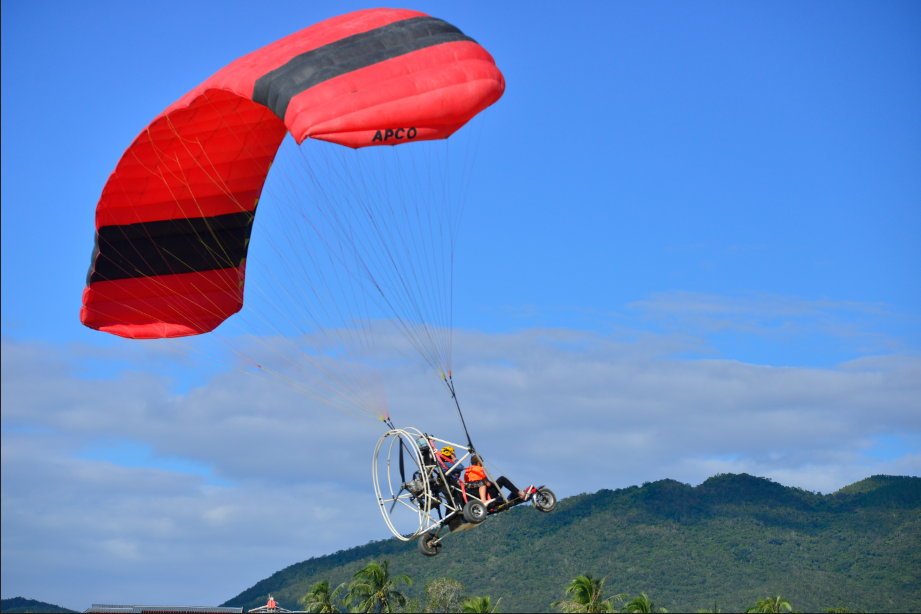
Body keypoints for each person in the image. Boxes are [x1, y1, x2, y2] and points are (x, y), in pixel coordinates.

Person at [464, 455, 534, 504]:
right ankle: (521, 494)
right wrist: (492, 483)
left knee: (494, 485)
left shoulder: (467, 471)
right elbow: (488, 484)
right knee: (502, 479)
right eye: (481, 462)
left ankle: (504, 500)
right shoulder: (478, 468)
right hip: (486, 495)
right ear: (479, 462)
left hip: (475, 495)